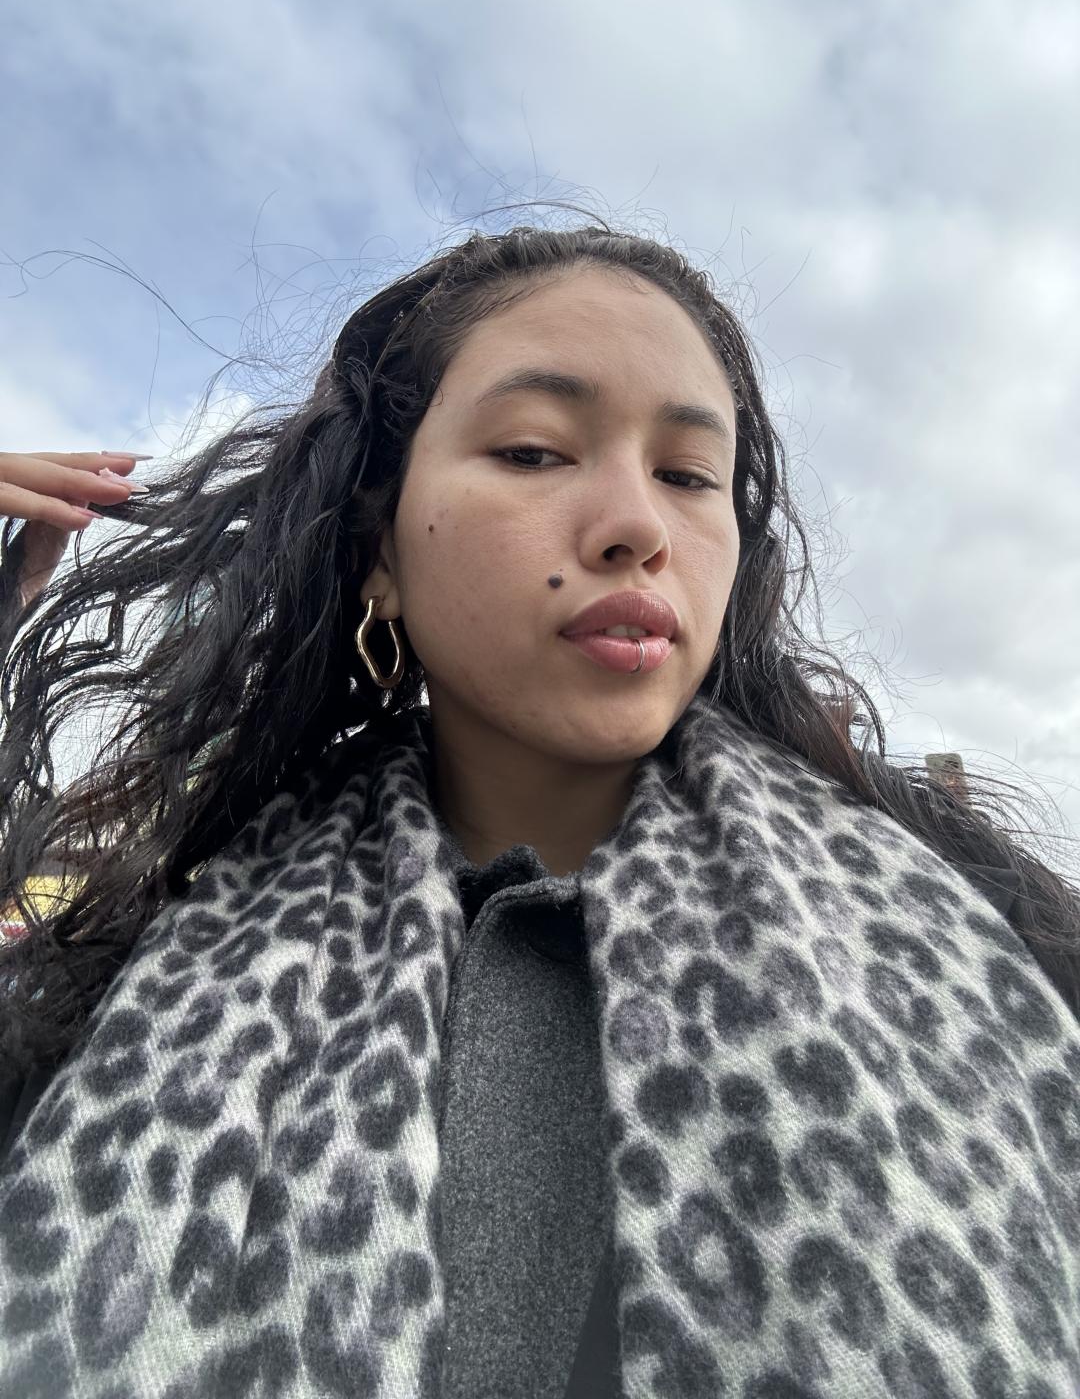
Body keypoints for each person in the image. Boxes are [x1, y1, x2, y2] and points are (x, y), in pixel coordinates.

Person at [0, 223, 1077, 1399]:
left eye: (689, 476)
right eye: (532, 451)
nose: (638, 526)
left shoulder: (986, 950)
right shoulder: (139, 970)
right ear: (380, 551)